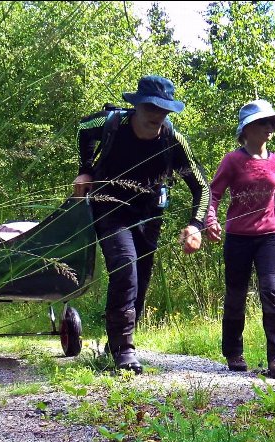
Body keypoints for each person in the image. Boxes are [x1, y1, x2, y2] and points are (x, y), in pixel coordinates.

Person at [73, 75, 209, 374]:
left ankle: (117, 342)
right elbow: (82, 128)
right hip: (109, 208)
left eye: (164, 109)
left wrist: (195, 224)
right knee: (125, 267)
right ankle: (124, 349)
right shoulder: (112, 124)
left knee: (141, 282)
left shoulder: (172, 140)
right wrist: (84, 170)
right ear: (137, 105)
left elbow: (201, 186)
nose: (157, 115)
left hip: (149, 215)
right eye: (151, 107)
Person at [204, 99, 275, 378]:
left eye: (271, 123)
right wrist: (210, 220)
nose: (269, 128)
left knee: (272, 292)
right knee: (235, 296)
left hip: (269, 237)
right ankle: (233, 352)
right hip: (238, 238)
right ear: (247, 129)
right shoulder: (232, 161)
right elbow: (213, 194)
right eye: (262, 123)